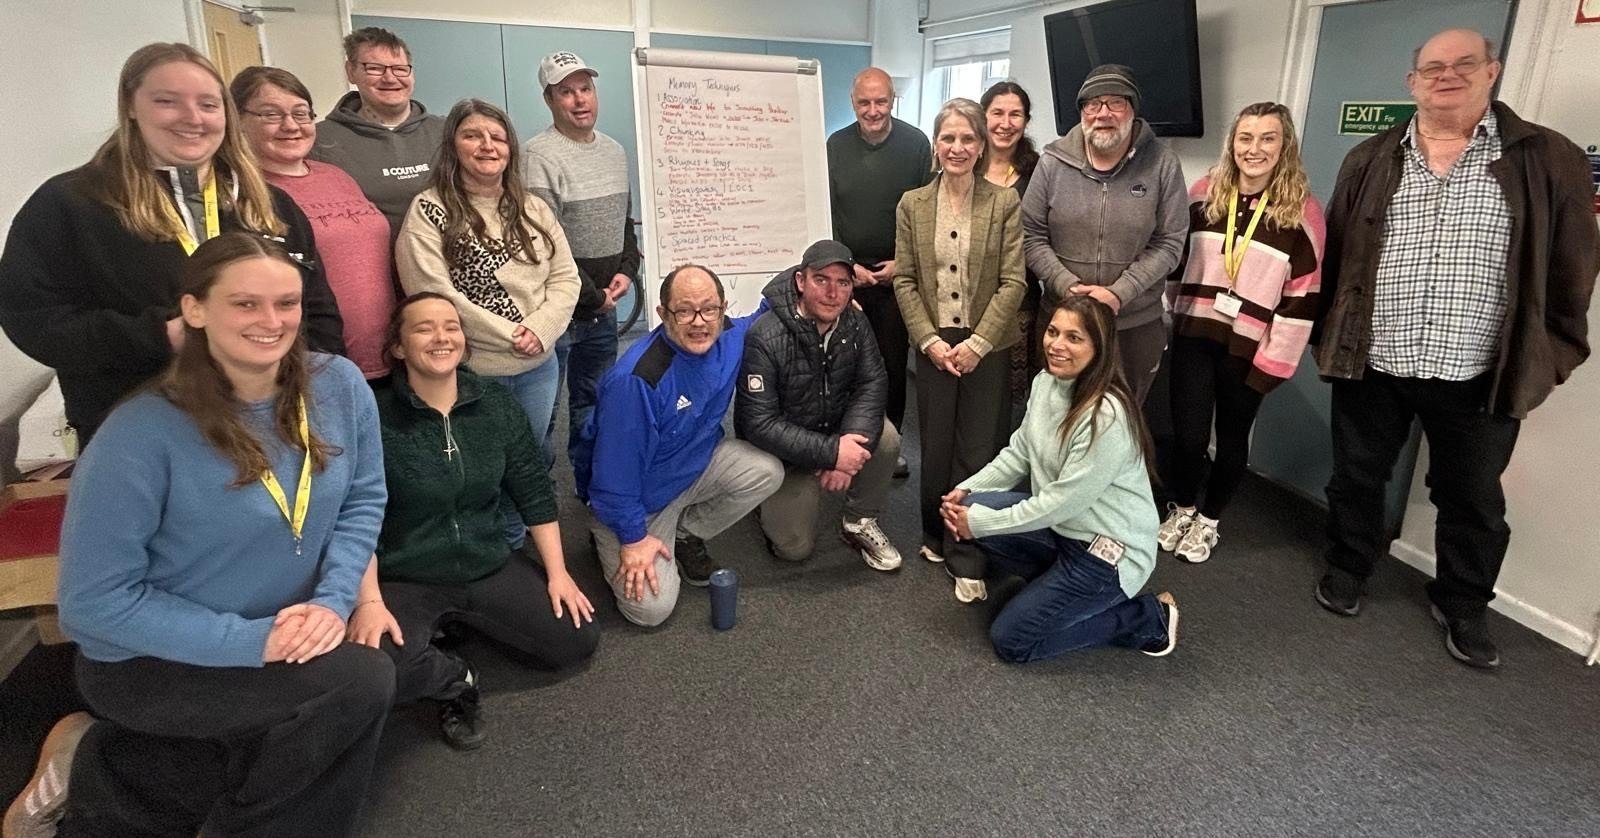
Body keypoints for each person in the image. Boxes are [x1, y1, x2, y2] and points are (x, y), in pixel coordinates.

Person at [3, 234, 390, 837]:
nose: (272, 321)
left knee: (383, 670)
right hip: (155, 658)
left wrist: (334, 601)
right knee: (357, 686)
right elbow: (92, 606)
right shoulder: (139, 434)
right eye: (245, 304)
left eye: (286, 303)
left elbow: (363, 499)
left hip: (290, 620)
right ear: (194, 310)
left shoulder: (338, 385)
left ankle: (100, 762)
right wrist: (253, 641)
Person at [1312, 29, 1599, 668]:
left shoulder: (1547, 158)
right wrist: (1325, 335)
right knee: (1357, 476)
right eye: (1432, 67)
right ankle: (1349, 565)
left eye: (1463, 64)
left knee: (1472, 496)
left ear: (1492, 71)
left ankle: (1463, 602)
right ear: (1411, 82)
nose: (1448, 76)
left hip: (1480, 371)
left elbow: (1573, 269)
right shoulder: (1370, 158)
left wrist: (1553, 356)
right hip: (1375, 360)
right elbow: (1336, 259)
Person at [0, 42, 344, 446]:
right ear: (131, 105)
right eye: (167, 101)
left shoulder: (268, 204)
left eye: (208, 105)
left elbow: (317, 310)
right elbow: (35, 321)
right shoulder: (72, 204)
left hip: (267, 419)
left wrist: (307, 384)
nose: (192, 118)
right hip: (138, 427)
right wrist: (162, 335)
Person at [347, 292, 599, 751]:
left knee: (575, 640)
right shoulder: (373, 413)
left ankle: (454, 626)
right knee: (373, 670)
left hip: (487, 560)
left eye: (451, 326)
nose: (441, 337)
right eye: (424, 328)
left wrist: (559, 575)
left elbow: (533, 491)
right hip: (405, 574)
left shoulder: (497, 408)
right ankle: (456, 678)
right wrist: (367, 601)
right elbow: (355, 511)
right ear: (399, 347)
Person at [942, 295, 1177, 663]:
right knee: (971, 506)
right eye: (1053, 332)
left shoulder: (1106, 415)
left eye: (1074, 338)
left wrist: (982, 524)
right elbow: (1019, 453)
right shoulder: (1046, 383)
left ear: (1098, 349)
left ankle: (1145, 619)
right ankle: (1059, 591)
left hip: (1108, 555)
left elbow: (1058, 503)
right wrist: (967, 489)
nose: (1056, 345)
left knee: (1012, 641)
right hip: (1064, 531)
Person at [396, 97, 579, 515]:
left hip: (537, 365)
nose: (487, 145)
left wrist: (540, 330)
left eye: (497, 137)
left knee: (530, 456)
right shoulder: (430, 209)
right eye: (472, 135)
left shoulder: (532, 207)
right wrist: (513, 335)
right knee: (477, 466)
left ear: (510, 148)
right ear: (453, 145)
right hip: (470, 367)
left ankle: (517, 539)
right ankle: (488, 548)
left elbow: (565, 277)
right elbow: (432, 292)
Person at [573, 265, 783, 627]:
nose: (699, 322)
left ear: (723, 309)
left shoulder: (730, 338)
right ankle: (605, 536)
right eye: (684, 310)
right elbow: (613, 482)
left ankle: (685, 533)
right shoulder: (637, 383)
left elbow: (768, 306)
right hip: (637, 498)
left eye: (709, 309)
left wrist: (828, 276)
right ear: (662, 314)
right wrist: (632, 537)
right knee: (650, 611)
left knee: (765, 472)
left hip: (691, 470)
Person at [1161, 102, 1325, 564]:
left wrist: (1276, 361)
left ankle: (1210, 519)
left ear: (1284, 146)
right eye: (1246, 138)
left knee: (1232, 438)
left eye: (1267, 138)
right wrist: (1169, 314)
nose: (1254, 149)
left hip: (1250, 347)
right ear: (1232, 143)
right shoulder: (1203, 194)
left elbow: (1303, 295)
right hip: (1195, 331)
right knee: (1189, 435)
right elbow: (1177, 262)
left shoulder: (1302, 213)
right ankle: (1184, 507)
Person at [893, 98, 1026, 603]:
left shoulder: (1004, 203)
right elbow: (905, 280)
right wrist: (928, 340)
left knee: (978, 449)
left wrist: (977, 343)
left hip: (985, 346)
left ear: (982, 145)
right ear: (936, 145)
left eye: (968, 139)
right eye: (948, 138)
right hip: (933, 345)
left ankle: (967, 551)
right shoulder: (912, 204)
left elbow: (1014, 281)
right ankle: (935, 533)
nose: (958, 147)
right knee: (937, 445)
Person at [1021, 63, 1187, 405]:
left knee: (1122, 423)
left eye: (1115, 103)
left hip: (1133, 327)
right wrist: (1064, 283)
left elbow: (1170, 242)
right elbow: (1030, 234)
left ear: (1132, 110)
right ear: (1082, 112)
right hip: (1063, 320)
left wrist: (1120, 293)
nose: (1103, 113)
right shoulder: (1053, 162)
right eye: (1093, 104)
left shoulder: (1163, 164)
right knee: (1054, 416)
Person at [736, 240, 903, 571]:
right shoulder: (764, 335)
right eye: (821, 280)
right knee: (793, 549)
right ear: (801, 281)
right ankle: (761, 499)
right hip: (783, 455)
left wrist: (844, 450)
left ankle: (858, 520)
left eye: (843, 283)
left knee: (887, 438)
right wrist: (831, 454)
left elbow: (872, 383)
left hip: (833, 431)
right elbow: (759, 424)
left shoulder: (855, 323)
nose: (833, 293)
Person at [232, 65, 396, 380]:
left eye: (301, 114)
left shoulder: (336, 176)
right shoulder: (242, 195)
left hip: (389, 358)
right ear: (238, 120)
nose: (290, 125)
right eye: (270, 115)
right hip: (314, 366)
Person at [523, 51, 643, 468]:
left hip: (601, 310)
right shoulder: (537, 156)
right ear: (550, 100)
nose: (579, 100)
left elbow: (623, 221)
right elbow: (546, 245)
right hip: (557, 311)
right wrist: (593, 298)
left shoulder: (614, 151)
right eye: (566, 92)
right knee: (543, 412)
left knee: (593, 402)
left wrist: (628, 271)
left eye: (585, 89)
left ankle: (590, 485)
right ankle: (540, 506)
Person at [827, 67, 933, 478]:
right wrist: (844, 264)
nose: (873, 111)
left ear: (893, 101)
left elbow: (926, 212)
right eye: (864, 102)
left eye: (881, 101)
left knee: (890, 365)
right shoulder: (835, 146)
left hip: (897, 275)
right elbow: (829, 209)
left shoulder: (916, 145)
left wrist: (903, 263)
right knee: (841, 363)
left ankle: (889, 449)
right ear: (853, 103)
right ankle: (841, 443)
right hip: (844, 273)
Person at [311, 26, 447, 238]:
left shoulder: (447, 132)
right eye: (374, 68)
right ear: (351, 71)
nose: (390, 78)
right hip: (364, 267)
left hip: (440, 267)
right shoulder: (320, 142)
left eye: (400, 69)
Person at [981, 80, 1044, 417]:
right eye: (997, 113)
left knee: (1013, 393)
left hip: (1020, 299)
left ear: (1026, 121)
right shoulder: (963, 167)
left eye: (1015, 114)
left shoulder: (1041, 172)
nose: (1006, 123)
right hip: (970, 299)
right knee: (976, 390)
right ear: (983, 116)